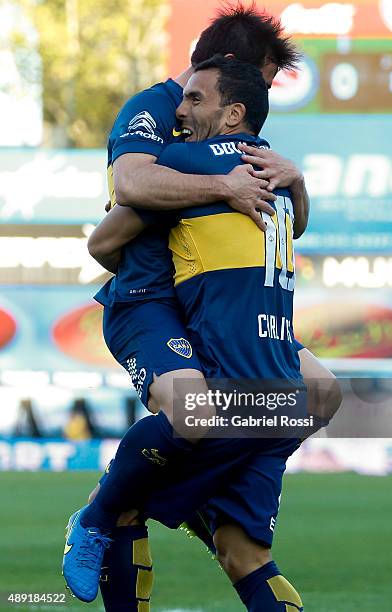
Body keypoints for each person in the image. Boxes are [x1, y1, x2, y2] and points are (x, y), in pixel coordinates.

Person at [63, 5, 341, 607]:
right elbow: (127, 197)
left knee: (319, 393)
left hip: (214, 302)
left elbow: (285, 225)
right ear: (230, 70)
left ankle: (193, 485)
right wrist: (220, 187)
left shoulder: (239, 140)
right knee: (193, 410)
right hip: (153, 302)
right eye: (264, 80)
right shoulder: (159, 110)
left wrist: (295, 183)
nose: (264, 95)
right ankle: (99, 515)